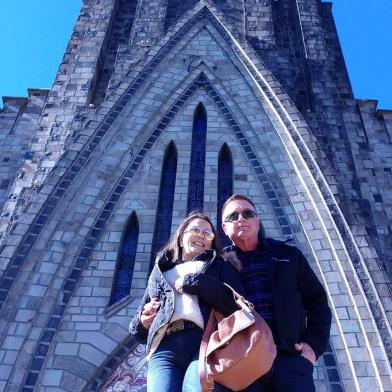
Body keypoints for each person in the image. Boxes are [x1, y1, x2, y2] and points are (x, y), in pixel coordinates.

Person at [221, 195, 332, 392]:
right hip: (243, 362)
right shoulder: (219, 265)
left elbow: (317, 302)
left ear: (257, 220)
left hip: (289, 359)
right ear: (224, 228)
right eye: (233, 216)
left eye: (248, 213)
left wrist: (313, 347)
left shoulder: (287, 255)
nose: (241, 219)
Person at [129, 212, 244, 392]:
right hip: (164, 347)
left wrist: (199, 283)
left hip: (203, 342)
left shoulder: (219, 266)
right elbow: (138, 326)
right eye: (196, 230)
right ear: (181, 236)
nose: (201, 235)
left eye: (208, 233)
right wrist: (143, 321)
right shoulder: (161, 269)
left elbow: (235, 305)